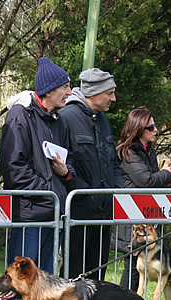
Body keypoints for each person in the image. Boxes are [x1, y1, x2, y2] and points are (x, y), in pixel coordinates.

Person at [0, 57, 84, 300]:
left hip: (53, 216)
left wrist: (65, 173)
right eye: (65, 86)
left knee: (45, 286)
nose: (69, 92)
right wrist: (49, 187)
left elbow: (68, 162)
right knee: (16, 285)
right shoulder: (20, 117)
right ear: (48, 90)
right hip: (28, 215)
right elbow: (13, 168)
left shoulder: (58, 121)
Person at [59, 68, 123, 281]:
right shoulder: (66, 117)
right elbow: (63, 164)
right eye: (110, 93)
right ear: (94, 93)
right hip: (79, 211)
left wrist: (117, 189)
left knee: (97, 277)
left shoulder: (103, 119)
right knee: (73, 275)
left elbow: (112, 160)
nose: (114, 99)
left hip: (103, 212)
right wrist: (84, 192)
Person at [115, 107, 171, 291]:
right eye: (150, 127)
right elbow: (146, 181)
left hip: (145, 213)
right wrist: (167, 174)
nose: (156, 130)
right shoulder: (129, 152)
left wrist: (166, 183)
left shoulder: (148, 150)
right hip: (131, 218)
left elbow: (151, 181)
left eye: (155, 126)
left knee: (139, 267)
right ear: (138, 129)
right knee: (133, 268)